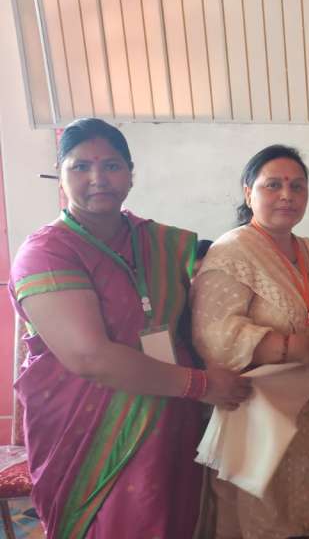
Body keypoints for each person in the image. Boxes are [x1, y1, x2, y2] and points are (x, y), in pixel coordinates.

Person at [8, 118, 252, 538]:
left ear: (131, 173)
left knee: (176, 519)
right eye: (80, 166)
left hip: (172, 419)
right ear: (60, 176)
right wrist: (201, 385)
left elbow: (208, 313)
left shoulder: (162, 242)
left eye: (111, 165)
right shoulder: (46, 252)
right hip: (90, 433)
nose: (98, 178)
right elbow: (90, 357)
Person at [191, 145, 309, 538]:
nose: (287, 195)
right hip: (258, 412)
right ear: (249, 193)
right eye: (273, 185)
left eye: (297, 186)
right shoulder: (230, 252)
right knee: (262, 517)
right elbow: (213, 335)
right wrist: (292, 347)